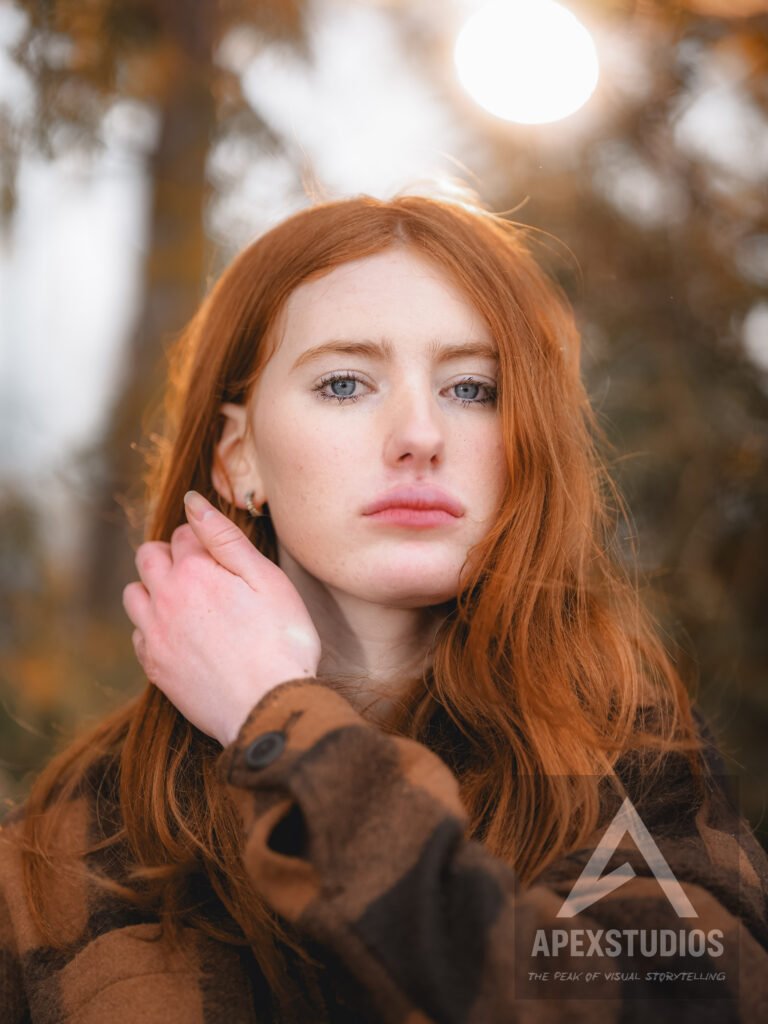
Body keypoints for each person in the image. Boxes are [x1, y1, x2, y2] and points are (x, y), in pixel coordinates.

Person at [1, 191, 767, 1023]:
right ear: (237, 458)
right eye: (343, 383)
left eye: (473, 389)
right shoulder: (81, 836)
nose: (420, 433)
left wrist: (280, 725)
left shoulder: (637, 763)